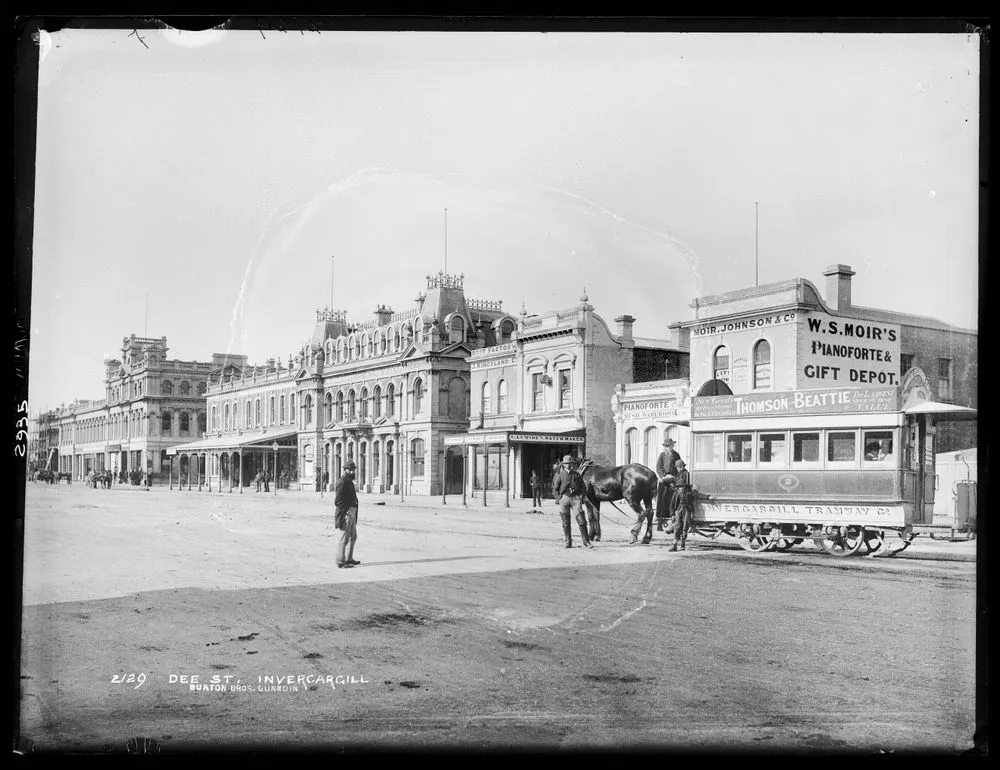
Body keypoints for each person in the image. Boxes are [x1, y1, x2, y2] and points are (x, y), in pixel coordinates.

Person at [552, 455, 592, 549]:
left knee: (582, 521)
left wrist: (581, 496)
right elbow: (555, 489)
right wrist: (559, 498)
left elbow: (583, 487)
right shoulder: (560, 475)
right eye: (566, 464)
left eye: (570, 463)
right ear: (563, 465)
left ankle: (586, 542)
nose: (568, 465)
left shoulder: (577, 474)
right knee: (565, 522)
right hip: (564, 499)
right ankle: (568, 542)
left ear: (573, 464)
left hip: (575, 499)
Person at [334, 460, 361, 568]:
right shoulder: (342, 482)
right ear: (344, 470)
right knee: (344, 537)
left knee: (353, 536)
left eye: (353, 470)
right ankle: (341, 561)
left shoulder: (348, 481)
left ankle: (349, 558)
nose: (351, 471)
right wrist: (346, 513)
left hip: (352, 512)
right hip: (346, 513)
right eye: (349, 470)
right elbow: (338, 501)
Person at [654, 437, 682, 532]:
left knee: (673, 501)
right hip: (664, 482)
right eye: (668, 446)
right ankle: (660, 521)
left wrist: (676, 477)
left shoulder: (676, 455)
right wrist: (663, 475)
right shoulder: (662, 455)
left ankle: (673, 521)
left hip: (673, 482)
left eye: (671, 445)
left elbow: (679, 466)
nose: (670, 447)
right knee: (662, 500)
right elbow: (658, 467)